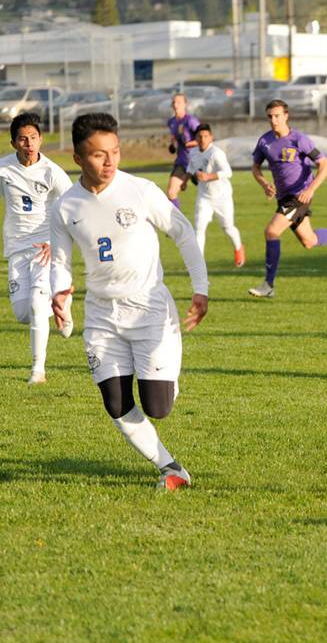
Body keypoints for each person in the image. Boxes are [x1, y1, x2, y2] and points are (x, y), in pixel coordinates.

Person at [50, 113, 208, 489]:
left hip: (149, 307)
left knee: (158, 406)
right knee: (115, 402)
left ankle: (166, 371)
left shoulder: (139, 189)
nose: (110, 162)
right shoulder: (65, 207)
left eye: (115, 152)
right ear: (77, 159)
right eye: (99, 155)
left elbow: (183, 235)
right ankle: (171, 469)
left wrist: (200, 288)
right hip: (103, 315)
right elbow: (60, 262)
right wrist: (60, 292)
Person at [249, 99, 327, 298]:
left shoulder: (299, 140)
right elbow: (255, 167)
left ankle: (268, 285)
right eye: (270, 116)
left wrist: (310, 190)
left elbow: (326, 165)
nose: (273, 120)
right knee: (309, 240)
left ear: (286, 116)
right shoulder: (264, 141)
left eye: (277, 116)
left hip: (299, 196)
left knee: (272, 231)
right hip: (284, 198)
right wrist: (264, 184)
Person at [1, 112, 75, 384]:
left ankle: (38, 371)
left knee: (35, 304)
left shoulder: (52, 172)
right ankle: (62, 300)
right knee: (23, 314)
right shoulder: (4, 169)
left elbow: (72, 206)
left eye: (33, 138)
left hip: (45, 248)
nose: (29, 144)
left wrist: (55, 243)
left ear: (41, 140)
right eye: (22, 139)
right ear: (13, 143)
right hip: (16, 249)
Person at [186, 122, 245, 267]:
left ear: (211, 137)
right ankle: (199, 263)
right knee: (199, 229)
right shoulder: (193, 152)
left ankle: (238, 248)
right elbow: (191, 168)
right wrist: (185, 181)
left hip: (221, 197)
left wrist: (208, 176)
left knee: (227, 227)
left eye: (206, 136)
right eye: (200, 136)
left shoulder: (216, 153)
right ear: (196, 138)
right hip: (204, 196)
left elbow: (228, 172)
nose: (203, 139)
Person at [166, 93, 201, 209]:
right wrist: (172, 145)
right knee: (171, 193)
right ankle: (178, 223)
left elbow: (204, 140)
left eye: (179, 102)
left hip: (197, 163)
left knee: (210, 193)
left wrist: (187, 143)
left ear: (185, 104)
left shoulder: (191, 121)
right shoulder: (171, 122)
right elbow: (174, 143)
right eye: (174, 102)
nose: (176, 105)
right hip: (182, 163)